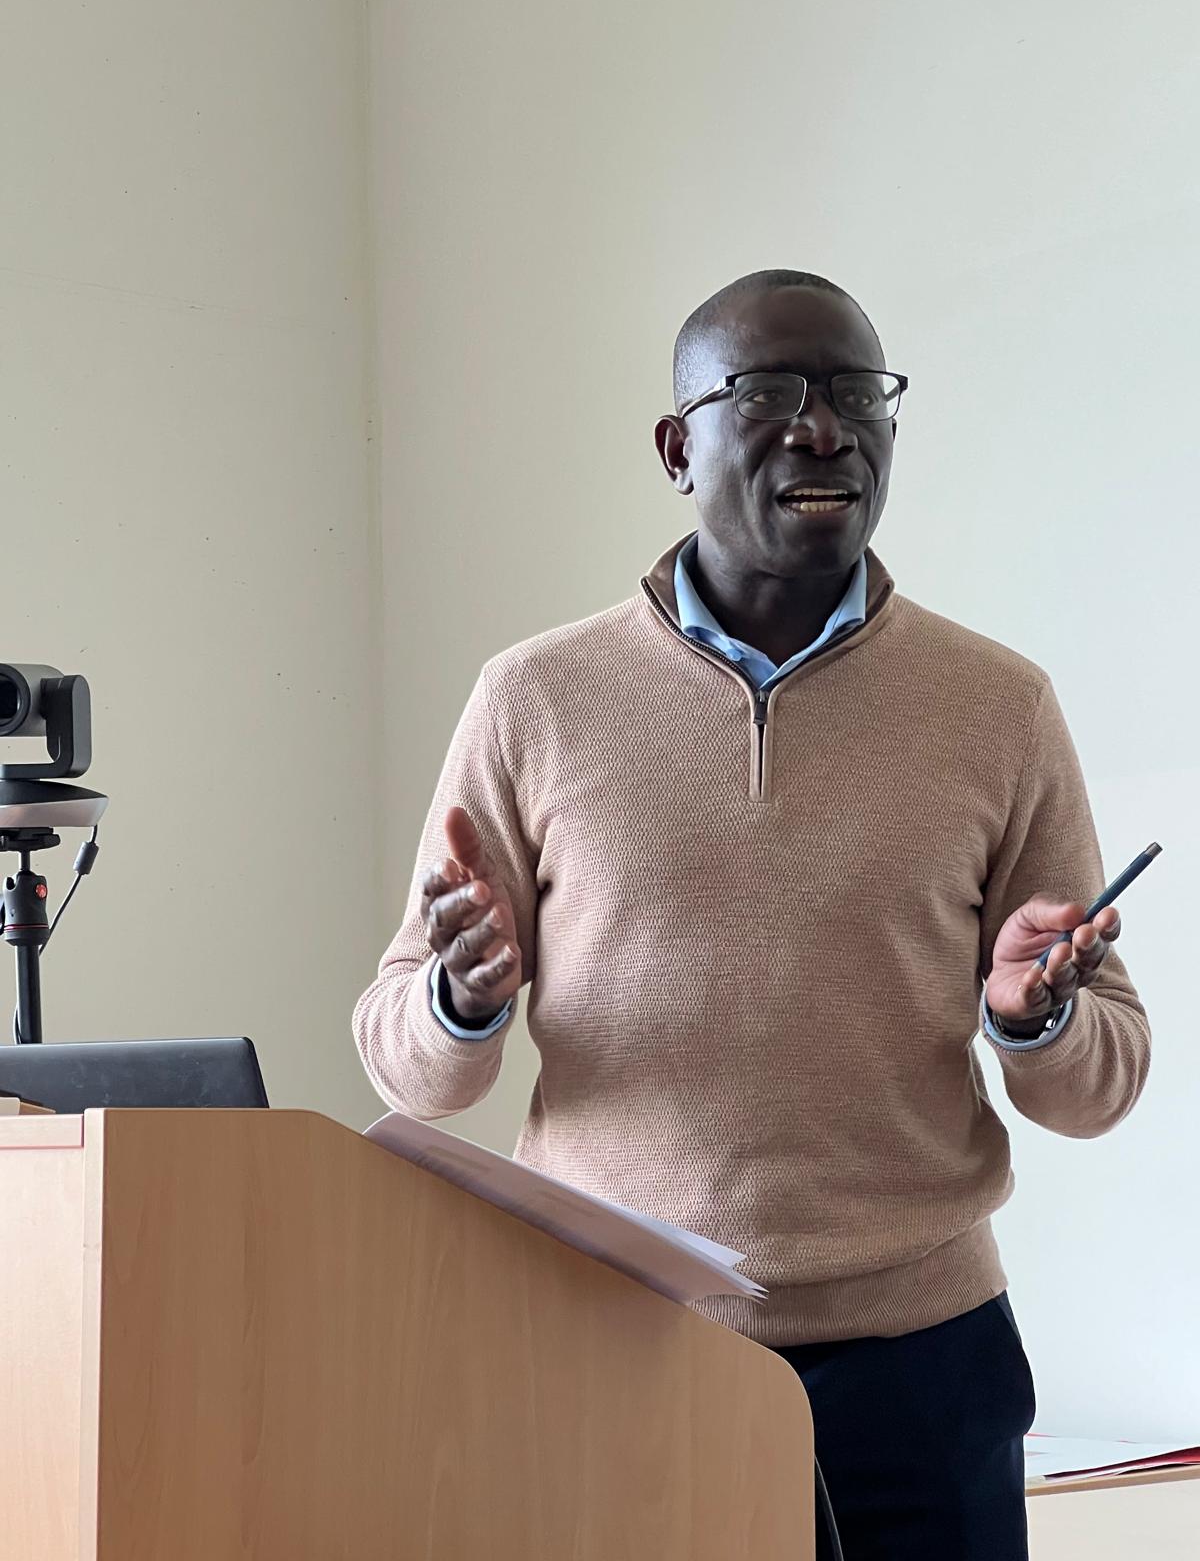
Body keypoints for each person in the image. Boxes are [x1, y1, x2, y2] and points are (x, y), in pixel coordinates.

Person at [353, 269, 1151, 1560]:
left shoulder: (1000, 706)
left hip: (923, 1369)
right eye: (769, 393)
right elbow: (405, 1060)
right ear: (678, 448)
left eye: (856, 396)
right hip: (615, 1346)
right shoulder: (533, 700)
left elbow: (1102, 1085)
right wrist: (461, 999)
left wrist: (1037, 1022)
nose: (824, 429)